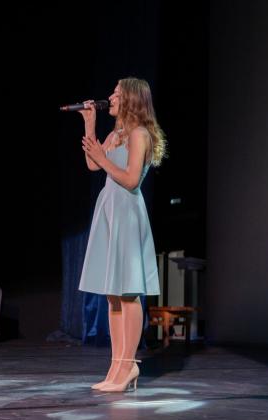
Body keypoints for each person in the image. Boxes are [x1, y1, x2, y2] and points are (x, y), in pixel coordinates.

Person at [77, 77, 165, 392]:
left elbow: (131, 180)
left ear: (131, 99)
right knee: (113, 294)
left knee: (128, 292)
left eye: (116, 93)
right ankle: (115, 367)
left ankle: (128, 365)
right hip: (109, 210)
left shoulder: (140, 134)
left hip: (127, 212)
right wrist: (90, 125)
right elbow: (93, 165)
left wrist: (102, 159)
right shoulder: (116, 135)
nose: (111, 97)